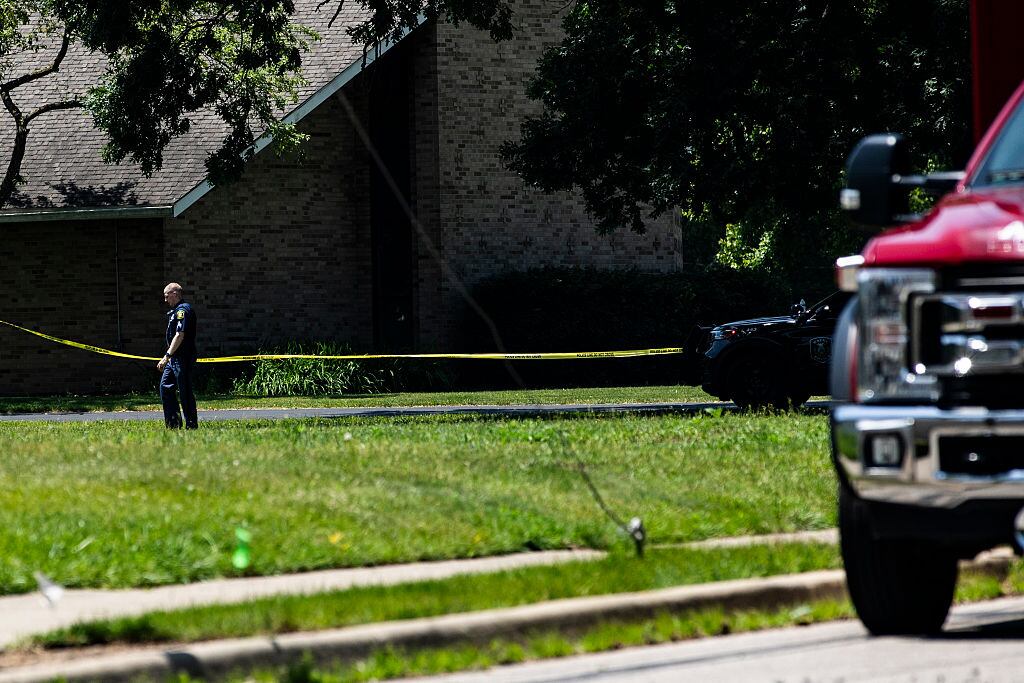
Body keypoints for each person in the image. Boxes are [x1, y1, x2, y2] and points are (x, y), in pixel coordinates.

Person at [158, 282, 198, 429]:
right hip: (174, 358)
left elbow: (179, 335)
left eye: (166, 296)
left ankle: (191, 425)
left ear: (174, 294)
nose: (165, 300)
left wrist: (166, 356)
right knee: (165, 387)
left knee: (185, 391)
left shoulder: (183, 311)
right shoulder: (175, 311)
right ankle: (173, 425)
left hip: (183, 358)